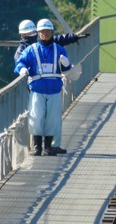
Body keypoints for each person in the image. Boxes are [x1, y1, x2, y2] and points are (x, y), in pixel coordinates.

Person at [15, 19, 89, 154]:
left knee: (53, 118)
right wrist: (22, 69)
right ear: (38, 33)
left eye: (48, 31)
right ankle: (37, 147)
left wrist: (66, 64)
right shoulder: (31, 50)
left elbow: (66, 69)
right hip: (37, 89)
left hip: (54, 89)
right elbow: (20, 62)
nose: (45, 34)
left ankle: (48, 147)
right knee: (36, 117)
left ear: (51, 32)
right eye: (42, 31)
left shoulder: (58, 49)